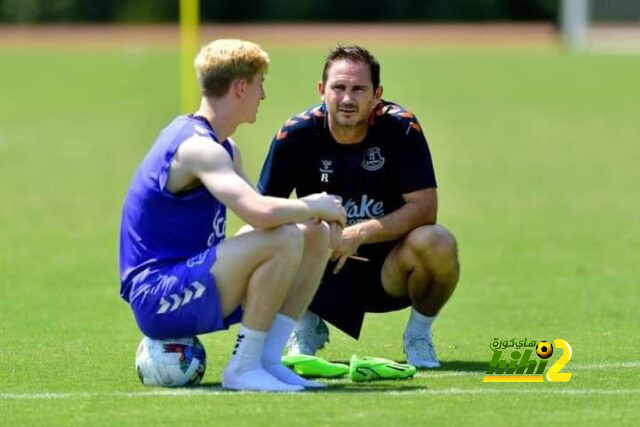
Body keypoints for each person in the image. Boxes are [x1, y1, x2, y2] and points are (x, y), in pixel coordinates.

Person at [118, 39, 346, 392]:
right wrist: (316, 203)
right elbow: (260, 213)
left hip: (190, 277)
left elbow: (265, 217)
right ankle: (243, 367)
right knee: (286, 236)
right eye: (260, 84)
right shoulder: (198, 148)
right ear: (241, 87)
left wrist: (313, 218)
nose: (263, 95)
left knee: (309, 233)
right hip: (157, 297)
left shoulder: (225, 148)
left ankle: (268, 361)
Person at [258, 46, 460, 368]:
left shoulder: (402, 128)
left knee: (438, 242)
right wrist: (315, 228)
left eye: (359, 89)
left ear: (377, 94)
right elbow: (264, 211)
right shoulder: (296, 135)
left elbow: (425, 209)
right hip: (320, 265)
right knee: (271, 237)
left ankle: (418, 336)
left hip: (388, 270)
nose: (348, 99)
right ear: (322, 90)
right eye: (338, 88)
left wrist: (358, 233)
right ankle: (304, 325)